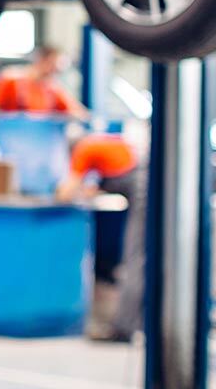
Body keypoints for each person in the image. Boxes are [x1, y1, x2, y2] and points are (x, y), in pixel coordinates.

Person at [56, 133, 144, 342]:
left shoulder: (84, 149)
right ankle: (131, 324)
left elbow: (65, 192)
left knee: (136, 259)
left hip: (141, 187)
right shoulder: (102, 143)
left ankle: (123, 329)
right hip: (142, 179)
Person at [0, 45, 89, 118]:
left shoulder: (51, 89)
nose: (53, 72)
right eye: (52, 66)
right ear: (42, 60)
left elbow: (78, 112)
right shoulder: (11, 80)